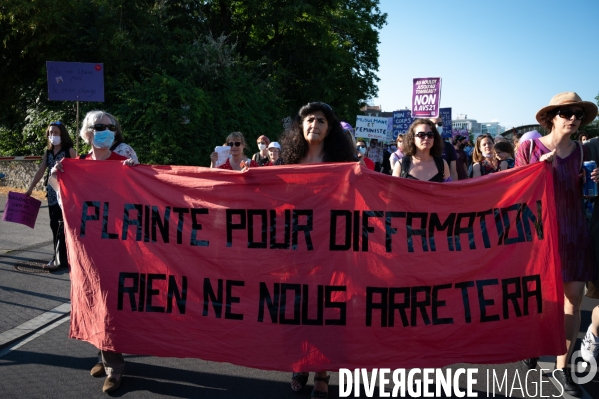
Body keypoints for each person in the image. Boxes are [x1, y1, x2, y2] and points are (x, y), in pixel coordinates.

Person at [515, 92, 598, 397]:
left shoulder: (581, 151)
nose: (573, 118)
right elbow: (513, 187)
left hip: (574, 230)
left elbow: (584, 192)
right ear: (552, 117)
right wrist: (536, 167)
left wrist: (596, 180)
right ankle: (534, 341)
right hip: (539, 233)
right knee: (540, 300)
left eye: (577, 113)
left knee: (572, 300)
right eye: (566, 112)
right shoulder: (529, 146)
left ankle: (563, 371)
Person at [52, 110, 137, 393]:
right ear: (87, 132)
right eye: (100, 126)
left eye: (111, 127)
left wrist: (138, 172)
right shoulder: (78, 166)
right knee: (91, 299)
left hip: (118, 247)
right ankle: (102, 353)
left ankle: (115, 366)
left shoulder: (122, 163)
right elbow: (67, 207)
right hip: (88, 248)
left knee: (110, 302)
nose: (106, 131)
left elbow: (142, 201)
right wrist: (57, 179)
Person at [279, 101, 355, 398]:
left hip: (331, 246)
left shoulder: (342, 164)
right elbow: (266, 192)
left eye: (321, 120)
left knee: (326, 306)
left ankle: (322, 371)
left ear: (329, 127)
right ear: (301, 126)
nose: (315, 125)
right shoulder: (288, 160)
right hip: (295, 246)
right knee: (297, 307)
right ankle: (300, 364)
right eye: (309, 120)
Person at [25, 121, 77, 269]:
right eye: (50, 133)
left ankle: (57, 259)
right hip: (52, 195)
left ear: (62, 134)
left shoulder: (69, 151)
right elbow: (41, 170)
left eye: (56, 132)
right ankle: (65, 257)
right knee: (56, 227)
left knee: (57, 224)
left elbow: (79, 171)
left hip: (66, 195)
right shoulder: (48, 152)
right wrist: (30, 188)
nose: (52, 135)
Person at [430, 117, 458, 181]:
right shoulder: (420, 146)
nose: (436, 126)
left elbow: (453, 173)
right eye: (433, 124)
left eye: (439, 124)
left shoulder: (449, 147)